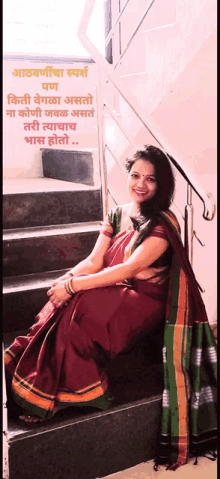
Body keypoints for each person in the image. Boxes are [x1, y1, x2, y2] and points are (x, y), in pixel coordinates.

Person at [4, 145, 217, 469]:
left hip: (146, 299)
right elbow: (94, 260)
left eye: (151, 179)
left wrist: (72, 287)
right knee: (63, 302)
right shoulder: (118, 213)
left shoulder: (164, 221)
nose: (141, 184)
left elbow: (127, 270)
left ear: (164, 185)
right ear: (127, 176)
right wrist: (66, 279)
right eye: (135, 175)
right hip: (117, 287)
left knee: (83, 303)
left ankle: (73, 394)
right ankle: (36, 375)